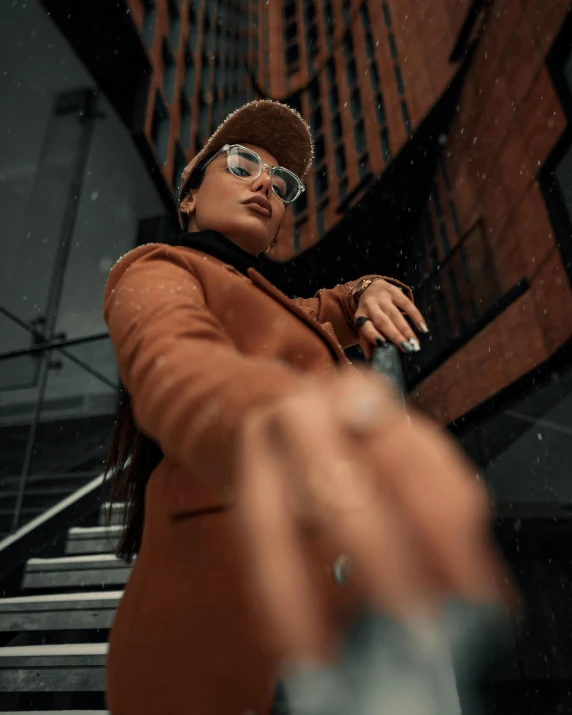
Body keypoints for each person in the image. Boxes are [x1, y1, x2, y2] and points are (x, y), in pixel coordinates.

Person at [102, 100, 512, 714]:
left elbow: (336, 306)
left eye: (282, 183)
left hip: (317, 611)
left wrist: (371, 289)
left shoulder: (281, 305)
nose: (266, 183)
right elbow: (172, 360)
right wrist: (276, 415)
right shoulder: (155, 270)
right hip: (214, 614)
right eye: (241, 164)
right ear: (188, 196)